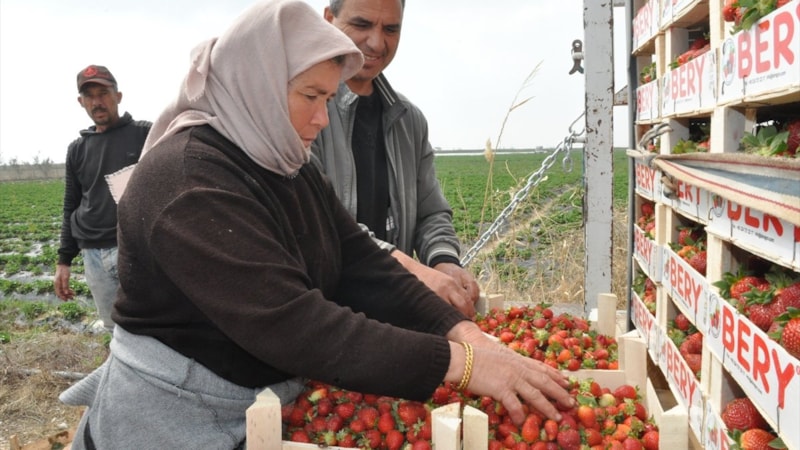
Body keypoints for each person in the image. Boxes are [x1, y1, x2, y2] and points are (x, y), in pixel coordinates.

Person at [59, 1, 574, 448]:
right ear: (255, 85)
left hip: (257, 399)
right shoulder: (190, 180)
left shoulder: (282, 159)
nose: (323, 119)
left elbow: (359, 259)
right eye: (310, 96)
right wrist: (464, 366)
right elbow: (295, 324)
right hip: (179, 415)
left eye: (328, 99)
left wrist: (461, 331)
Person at [312, 0, 481, 317]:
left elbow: (431, 214)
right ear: (328, 19)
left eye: (391, 29)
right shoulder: (308, 113)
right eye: (361, 25)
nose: (377, 42)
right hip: (328, 319)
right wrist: (416, 274)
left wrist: (443, 262)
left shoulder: (408, 120)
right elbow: (326, 226)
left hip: (393, 313)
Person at [54, 64, 151, 332]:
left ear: (118, 96)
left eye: (104, 93)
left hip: (133, 250)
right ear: (81, 102)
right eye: (90, 96)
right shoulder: (77, 149)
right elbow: (70, 205)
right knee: (113, 330)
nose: (97, 101)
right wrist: (64, 261)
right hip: (93, 256)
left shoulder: (146, 134)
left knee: (151, 326)